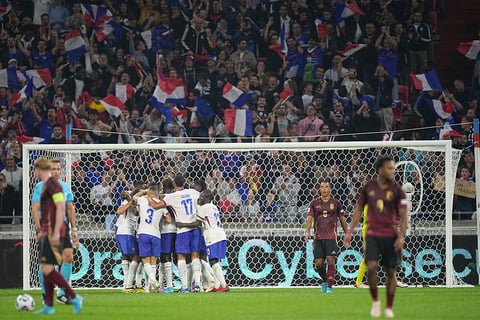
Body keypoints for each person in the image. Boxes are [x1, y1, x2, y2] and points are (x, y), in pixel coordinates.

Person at [344, 155, 407, 318]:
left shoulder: (395, 190)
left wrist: (401, 234)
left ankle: (392, 288)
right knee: (369, 260)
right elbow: (359, 211)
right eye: (389, 168)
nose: (392, 171)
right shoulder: (369, 190)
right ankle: (358, 283)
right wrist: (349, 231)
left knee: (390, 262)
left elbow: (402, 214)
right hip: (370, 228)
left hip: (389, 229)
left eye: (393, 168)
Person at [32, 158, 83, 315]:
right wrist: (39, 229)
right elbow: (35, 209)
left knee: (67, 257)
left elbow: (69, 208)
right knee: (48, 264)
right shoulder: (40, 187)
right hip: (47, 227)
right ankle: (47, 294)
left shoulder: (64, 186)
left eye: (58, 169)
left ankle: (62, 294)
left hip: (61, 227)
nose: (55, 171)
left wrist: (74, 229)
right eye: (52, 168)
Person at [148, 175, 201, 292]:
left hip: (183, 230)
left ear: (174, 184)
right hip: (195, 228)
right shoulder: (193, 192)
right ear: (185, 182)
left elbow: (156, 205)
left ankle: (185, 286)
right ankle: (197, 285)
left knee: (181, 257)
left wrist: (148, 197)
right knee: (195, 256)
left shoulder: (172, 197)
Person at [176, 190, 230, 292]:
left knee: (213, 260)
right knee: (214, 260)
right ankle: (218, 285)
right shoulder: (213, 207)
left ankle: (223, 285)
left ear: (206, 198)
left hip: (213, 237)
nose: (199, 198)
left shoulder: (204, 208)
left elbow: (197, 223)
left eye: (201, 197)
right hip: (220, 234)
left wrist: (182, 224)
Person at [304, 180, 348, 293]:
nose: (324, 189)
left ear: (330, 189)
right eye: (322, 187)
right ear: (319, 189)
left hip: (331, 237)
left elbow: (342, 219)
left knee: (330, 260)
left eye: (326, 187)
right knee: (318, 264)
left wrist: (347, 233)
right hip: (318, 238)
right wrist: (307, 231)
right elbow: (309, 218)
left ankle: (329, 287)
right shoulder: (314, 203)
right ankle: (325, 280)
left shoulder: (336, 203)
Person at [133, 183, 165, 293]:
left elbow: (133, 198)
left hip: (144, 233)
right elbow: (168, 218)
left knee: (145, 260)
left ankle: (153, 282)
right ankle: (150, 287)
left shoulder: (142, 200)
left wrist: (143, 191)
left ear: (149, 191)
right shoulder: (161, 204)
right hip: (156, 234)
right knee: (153, 262)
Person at [115, 190, 141, 293]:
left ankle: (127, 284)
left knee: (129, 257)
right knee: (135, 257)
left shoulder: (136, 203)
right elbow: (119, 211)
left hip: (129, 232)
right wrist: (130, 201)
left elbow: (136, 213)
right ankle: (128, 285)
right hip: (125, 232)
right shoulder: (126, 202)